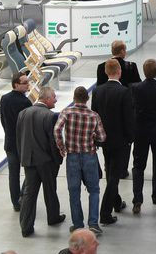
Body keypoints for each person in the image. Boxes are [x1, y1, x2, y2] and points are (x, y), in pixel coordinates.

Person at [55, 86, 106, 235]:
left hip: (72, 156)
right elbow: (102, 137)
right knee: (94, 190)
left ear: (74, 98)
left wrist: (62, 147)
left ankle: (78, 225)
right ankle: (93, 224)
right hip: (89, 156)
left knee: (74, 191)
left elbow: (57, 129)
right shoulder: (94, 115)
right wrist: (93, 136)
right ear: (87, 99)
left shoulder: (66, 112)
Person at [17, 87, 65, 237]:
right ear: (46, 99)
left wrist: (22, 156)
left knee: (29, 193)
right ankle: (53, 217)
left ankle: (26, 227)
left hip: (28, 159)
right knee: (50, 190)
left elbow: (19, 137)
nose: (55, 100)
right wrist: (58, 159)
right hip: (46, 161)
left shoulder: (23, 113)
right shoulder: (50, 116)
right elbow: (53, 141)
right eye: (54, 97)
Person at [91, 59, 134, 226]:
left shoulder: (97, 91)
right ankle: (105, 213)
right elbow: (128, 118)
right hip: (120, 140)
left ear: (106, 72)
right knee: (114, 176)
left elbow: (95, 115)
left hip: (104, 139)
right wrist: (130, 138)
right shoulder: (124, 92)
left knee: (110, 171)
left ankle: (116, 202)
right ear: (119, 72)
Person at [130, 59, 156, 214]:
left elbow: (132, 106)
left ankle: (137, 199)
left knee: (138, 166)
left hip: (140, 132)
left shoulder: (135, 88)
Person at [0, 74, 32, 212]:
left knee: (13, 174)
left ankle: (15, 202)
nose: (28, 85)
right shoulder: (26, 102)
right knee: (30, 172)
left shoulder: (4, 98)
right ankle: (23, 196)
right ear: (16, 84)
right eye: (25, 83)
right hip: (22, 143)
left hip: (10, 142)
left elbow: (3, 120)